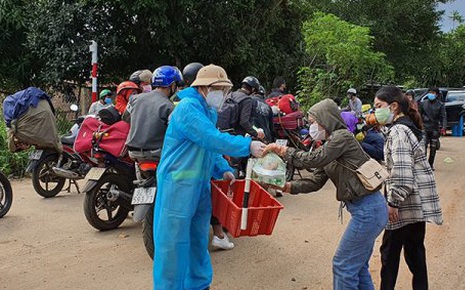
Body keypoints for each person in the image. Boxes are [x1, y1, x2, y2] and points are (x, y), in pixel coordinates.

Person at [152, 64, 266, 290]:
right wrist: (248, 145)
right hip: (177, 185)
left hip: (199, 185)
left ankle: (199, 285)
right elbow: (210, 138)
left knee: (197, 240)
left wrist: (222, 168)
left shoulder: (208, 111)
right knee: (172, 246)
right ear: (203, 88)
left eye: (225, 89)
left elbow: (208, 148)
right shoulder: (187, 108)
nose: (222, 95)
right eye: (218, 89)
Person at [264, 99, 388, 289]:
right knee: (357, 267)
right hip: (367, 211)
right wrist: (285, 186)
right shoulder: (330, 147)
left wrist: (283, 150)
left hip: (368, 211)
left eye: (314, 122)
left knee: (343, 265)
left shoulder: (342, 137)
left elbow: (313, 159)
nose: (311, 127)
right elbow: (315, 181)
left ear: (326, 120)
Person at [373, 86, 443, 290]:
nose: (376, 111)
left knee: (389, 255)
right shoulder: (409, 126)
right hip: (415, 206)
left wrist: (393, 202)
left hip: (402, 207)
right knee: (415, 253)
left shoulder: (399, 131)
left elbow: (402, 174)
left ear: (393, 107)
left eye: (379, 106)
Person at [123, 66, 180, 161]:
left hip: (133, 152)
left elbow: (125, 118)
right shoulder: (169, 107)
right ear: (173, 85)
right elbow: (174, 133)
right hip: (157, 153)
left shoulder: (134, 99)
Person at [419, 87, 446, 170]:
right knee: (423, 147)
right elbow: (419, 115)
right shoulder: (423, 103)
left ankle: (430, 164)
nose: (431, 94)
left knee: (433, 148)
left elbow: (443, 117)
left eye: (433, 92)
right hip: (425, 128)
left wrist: (444, 127)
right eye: (430, 92)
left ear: (437, 94)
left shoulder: (440, 105)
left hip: (434, 128)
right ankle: (424, 165)